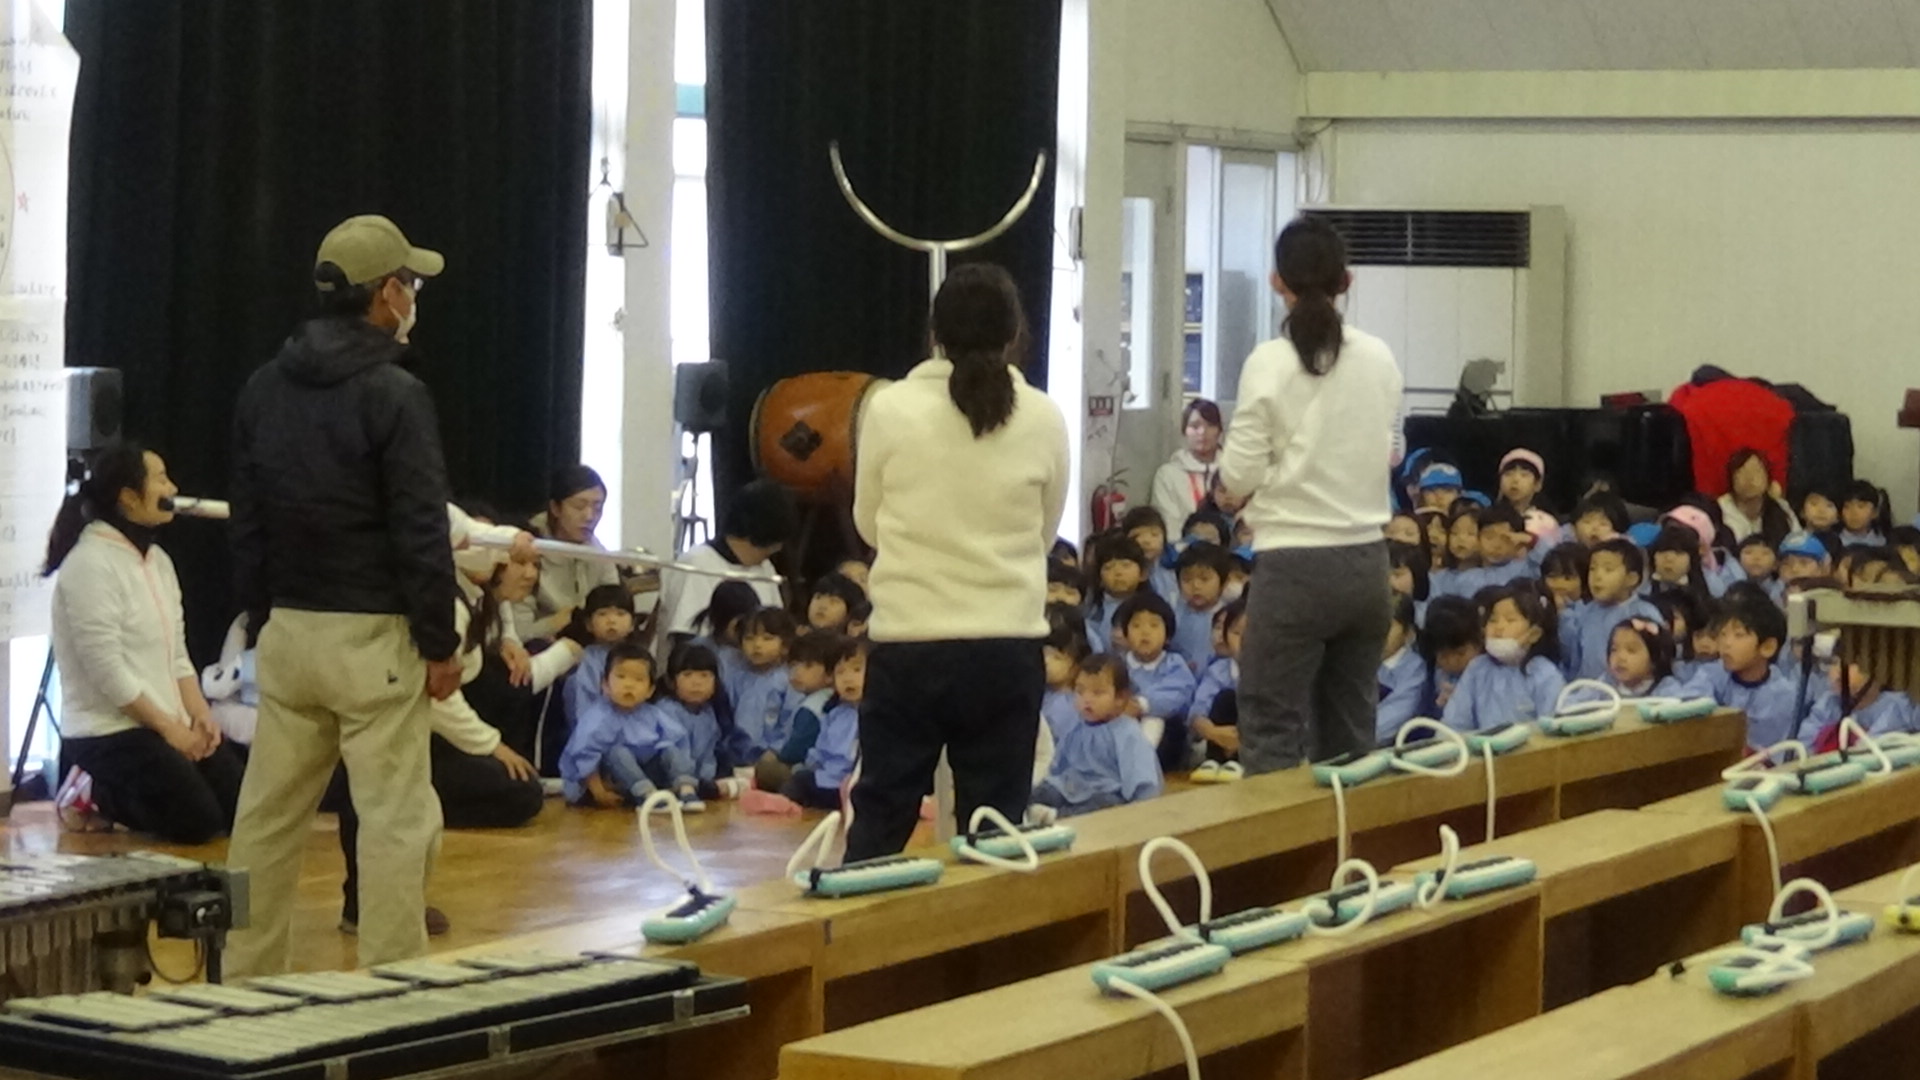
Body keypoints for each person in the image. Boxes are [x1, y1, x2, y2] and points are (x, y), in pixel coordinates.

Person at [225, 215, 456, 975]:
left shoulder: (263, 385)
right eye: (410, 284)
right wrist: (440, 642)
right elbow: (420, 529)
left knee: (264, 821)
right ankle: (394, 990)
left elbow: (247, 519)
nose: (413, 297)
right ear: (386, 292)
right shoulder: (396, 393)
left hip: (289, 631)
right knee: (394, 821)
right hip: (374, 640)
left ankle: (240, 979)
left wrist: (263, 617)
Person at [845, 262, 1070, 859]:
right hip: (1006, 646)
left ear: (934, 332)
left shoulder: (889, 407)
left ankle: (856, 920)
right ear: (1014, 332)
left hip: (909, 645)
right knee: (996, 833)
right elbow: (1044, 532)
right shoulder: (1043, 414)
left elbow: (868, 522)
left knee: (880, 819)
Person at [1217, 218, 1402, 773]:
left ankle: (1274, 836)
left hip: (1294, 565)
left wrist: (1247, 487)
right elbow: (1393, 450)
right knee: (1350, 732)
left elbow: (1239, 472)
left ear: (1278, 281)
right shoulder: (1379, 356)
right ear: (1347, 280)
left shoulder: (1269, 361)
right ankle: (1348, 833)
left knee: (1271, 725)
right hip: (1367, 562)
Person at [46, 443, 243, 845]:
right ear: (128, 497)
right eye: (161, 479)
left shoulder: (159, 562)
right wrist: (170, 730)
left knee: (242, 811)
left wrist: (200, 715)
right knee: (197, 823)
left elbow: (178, 655)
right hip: (107, 729)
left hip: (163, 721)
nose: (173, 488)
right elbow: (107, 671)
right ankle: (90, 792)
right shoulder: (89, 563)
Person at [656, 479, 795, 645]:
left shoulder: (764, 568)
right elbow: (684, 637)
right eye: (774, 544)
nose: (777, 549)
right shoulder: (697, 564)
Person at [1028, 656, 1162, 820]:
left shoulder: (1127, 733)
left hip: (1104, 791)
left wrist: (1142, 807)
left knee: (1106, 805)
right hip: (1069, 787)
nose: (1087, 699)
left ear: (1120, 698)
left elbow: (1142, 777)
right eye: (1080, 691)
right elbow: (1057, 765)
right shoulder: (1075, 727)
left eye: (1097, 693)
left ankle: (1057, 817)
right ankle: (1031, 814)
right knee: (1037, 793)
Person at [514, 466, 621, 644]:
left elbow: (613, 600)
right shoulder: (528, 548)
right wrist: (553, 624)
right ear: (555, 508)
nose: (589, 516)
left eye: (598, 508)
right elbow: (516, 632)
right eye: (579, 506)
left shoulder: (599, 552)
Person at [1441, 585, 1566, 732]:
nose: (1498, 627)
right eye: (1493, 620)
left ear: (1534, 634)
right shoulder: (1477, 669)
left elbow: (1553, 726)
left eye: (1510, 620)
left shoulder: (1544, 674)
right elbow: (1455, 722)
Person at [783, 638, 865, 810]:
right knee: (799, 781)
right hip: (827, 779)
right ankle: (784, 807)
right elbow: (819, 750)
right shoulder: (834, 713)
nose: (848, 679)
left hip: (856, 783)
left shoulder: (875, 715)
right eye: (840, 672)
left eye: (857, 670)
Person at [1152, 399, 1225, 529]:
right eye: (1194, 426)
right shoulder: (1168, 475)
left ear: (1219, 430)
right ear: (1184, 431)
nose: (1202, 432)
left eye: (1210, 425)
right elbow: (1168, 525)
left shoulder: (1234, 472)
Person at [1717, 449, 1799, 547]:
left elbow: (1798, 544)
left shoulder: (1782, 507)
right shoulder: (1719, 509)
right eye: (1742, 472)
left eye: (1756, 470)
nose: (1750, 478)